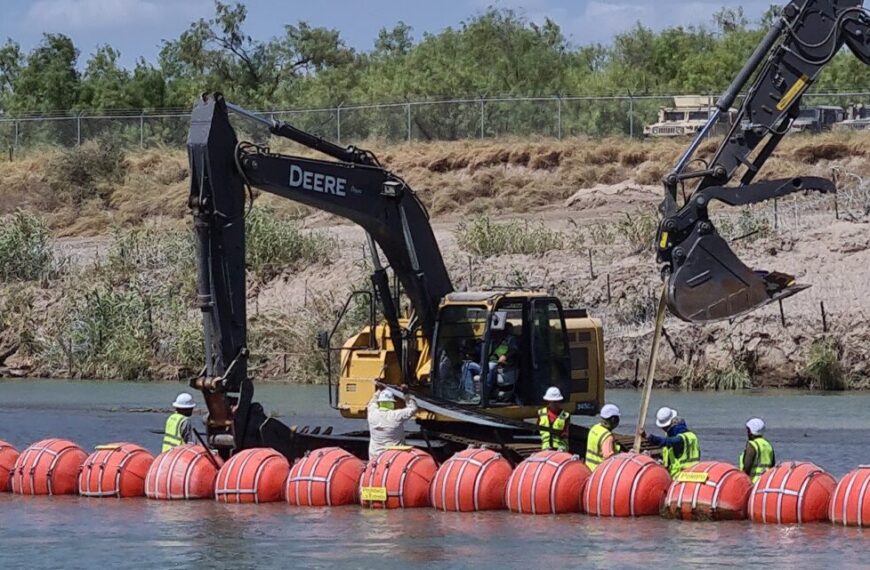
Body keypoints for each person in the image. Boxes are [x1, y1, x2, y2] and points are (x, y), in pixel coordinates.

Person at [366, 381, 418, 460]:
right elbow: (413, 408)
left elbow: (372, 402)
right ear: (391, 403)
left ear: (380, 403)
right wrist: (406, 394)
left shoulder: (372, 413)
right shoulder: (396, 415)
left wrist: (379, 390)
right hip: (393, 457)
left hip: (375, 457)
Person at [644, 406, 700, 477]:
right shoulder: (691, 436)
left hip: (680, 476)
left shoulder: (679, 439)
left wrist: (650, 438)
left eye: (664, 428)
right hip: (695, 474)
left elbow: (667, 441)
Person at [487, 322, 520, 400]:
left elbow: (514, 350)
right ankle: (469, 392)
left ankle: (487, 391)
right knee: (468, 365)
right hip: (487, 361)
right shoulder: (494, 339)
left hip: (502, 364)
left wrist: (505, 356)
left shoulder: (511, 339)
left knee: (491, 366)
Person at [585, 404, 622, 471]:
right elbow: (609, 457)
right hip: (599, 471)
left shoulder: (594, 428)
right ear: (613, 419)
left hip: (588, 469)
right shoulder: (607, 436)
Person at [739, 417, 775, 483]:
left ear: (751, 431)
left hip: (753, 482)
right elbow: (772, 466)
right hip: (765, 483)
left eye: (748, 430)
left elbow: (747, 467)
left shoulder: (752, 445)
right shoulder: (768, 445)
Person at [538, 386, 571, 451]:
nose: (554, 404)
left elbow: (566, 433)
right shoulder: (541, 413)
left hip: (561, 448)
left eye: (556, 401)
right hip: (546, 448)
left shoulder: (565, 415)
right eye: (552, 401)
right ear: (548, 401)